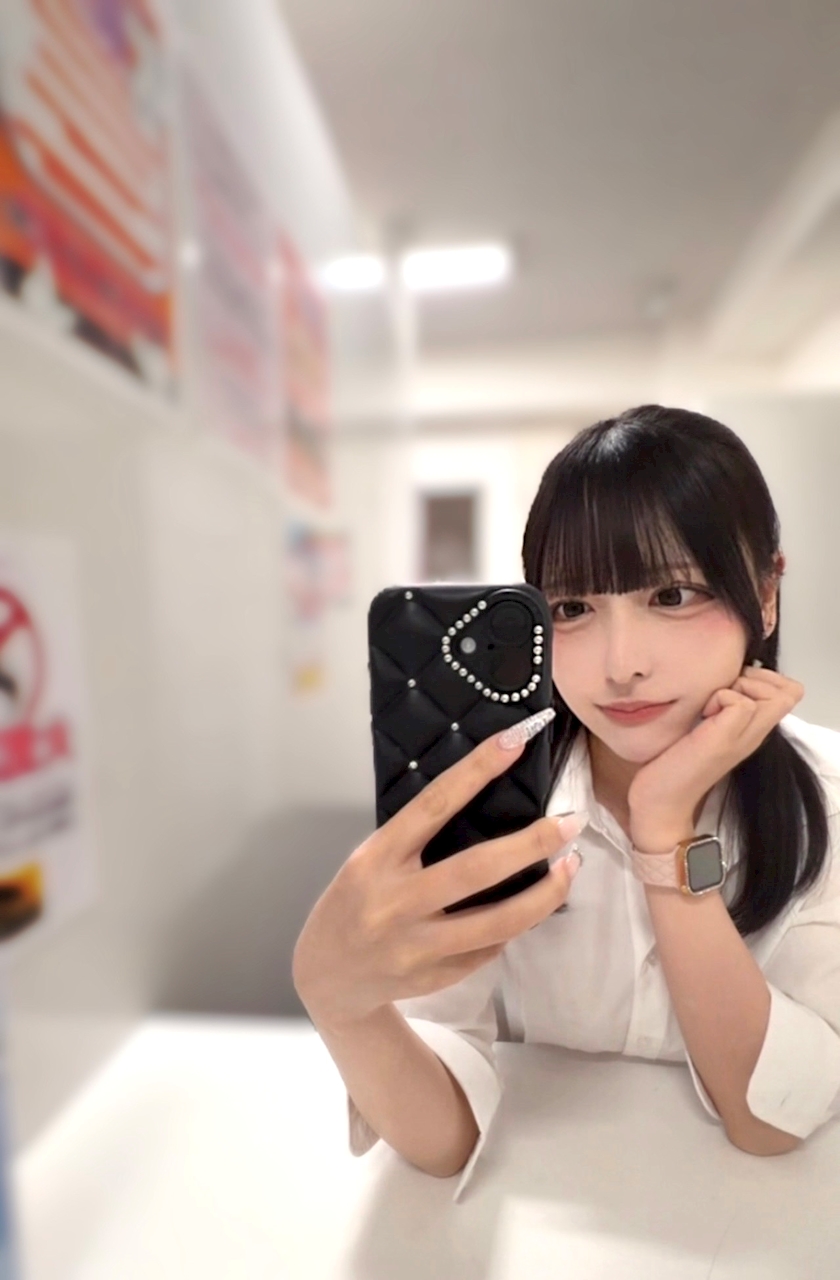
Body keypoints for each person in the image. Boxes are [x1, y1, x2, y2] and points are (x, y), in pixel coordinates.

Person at [293, 404, 840, 1204]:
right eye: (573, 608)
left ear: (765, 595)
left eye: (673, 594)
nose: (622, 664)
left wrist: (664, 829)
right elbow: (443, 1139)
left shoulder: (829, 794)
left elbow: (772, 1119)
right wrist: (342, 1008)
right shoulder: (493, 798)